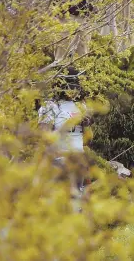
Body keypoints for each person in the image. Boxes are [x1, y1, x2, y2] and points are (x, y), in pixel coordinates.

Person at [38, 67, 92, 206]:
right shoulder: (50, 106)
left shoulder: (81, 106)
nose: (73, 91)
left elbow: (88, 140)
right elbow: (45, 137)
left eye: (75, 87)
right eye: (70, 87)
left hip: (78, 159)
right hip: (58, 159)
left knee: (76, 201)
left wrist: (86, 124)